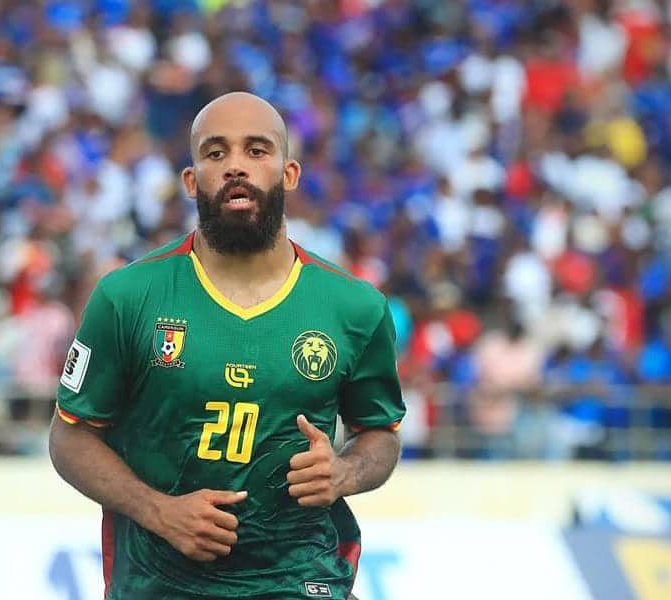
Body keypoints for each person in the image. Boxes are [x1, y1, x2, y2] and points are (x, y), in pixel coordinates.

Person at [49, 92, 405, 599]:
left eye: (256, 150)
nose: (236, 165)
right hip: (160, 585)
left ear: (289, 173)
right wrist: (160, 511)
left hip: (299, 578)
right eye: (216, 153)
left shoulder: (355, 307)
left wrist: (345, 472)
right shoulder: (126, 296)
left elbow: (381, 433)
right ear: (191, 180)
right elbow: (70, 437)